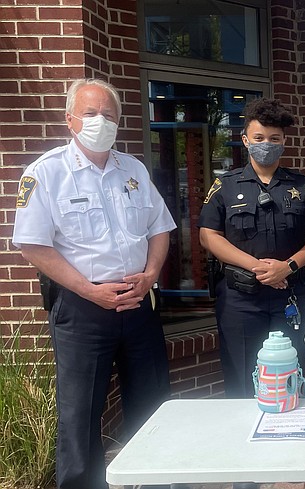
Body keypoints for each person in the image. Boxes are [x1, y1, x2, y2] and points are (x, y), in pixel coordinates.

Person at [12, 79, 176, 489]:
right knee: (79, 415)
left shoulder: (133, 169)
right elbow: (32, 245)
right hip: (83, 309)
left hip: (137, 302)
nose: (99, 121)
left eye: (108, 114)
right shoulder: (46, 173)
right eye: (90, 113)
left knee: (153, 405)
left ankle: (156, 481)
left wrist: (152, 274)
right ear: (69, 119)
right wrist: (90, 290)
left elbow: (160, 228)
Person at [198, 97, 305, 404]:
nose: (266, 144)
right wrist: (258, 267)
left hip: (292, 296)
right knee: (242, 380)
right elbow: (209, 236)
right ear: (245, 140)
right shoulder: (226, 185)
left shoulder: (301, 186)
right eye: (259, 138)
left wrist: (288, 266)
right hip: (241, 301)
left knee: (291, 375)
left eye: (274, 139)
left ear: (284, 142)